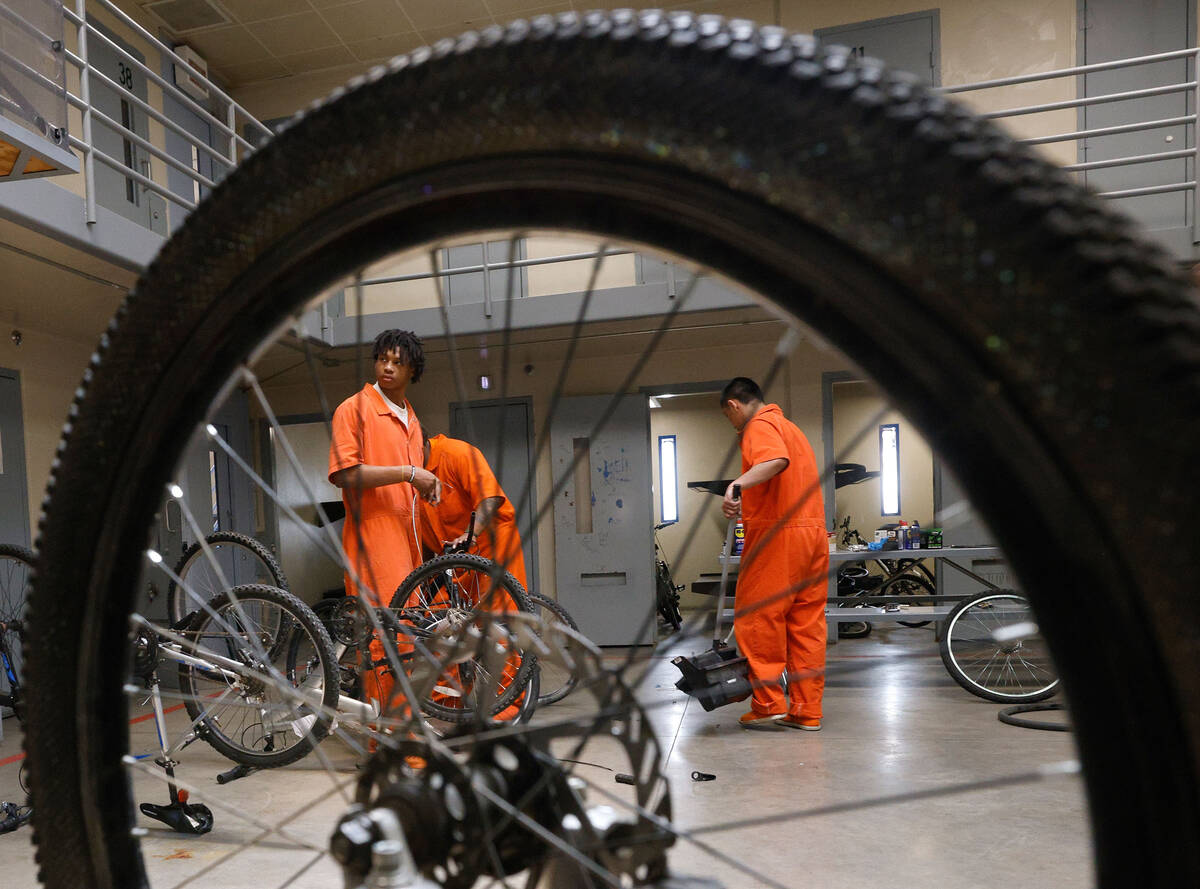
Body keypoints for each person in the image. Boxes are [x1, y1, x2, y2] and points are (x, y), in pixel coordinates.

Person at [328, 329, 441, 712]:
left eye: (398, 362)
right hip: (373, 537)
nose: (388, 368)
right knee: (386, 637)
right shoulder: (354, 409)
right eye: (383, 360)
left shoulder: (410, 416)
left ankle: (395, 725)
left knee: (405, 635)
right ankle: (392, 739)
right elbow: (346, 474)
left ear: (413, 371)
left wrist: (421, 488)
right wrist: (410, 473)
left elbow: (403, 480)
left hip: (407, 541)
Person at [719, 376, 828, 731]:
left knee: (757, 619)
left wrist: (737, 484)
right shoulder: (791, 428)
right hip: (812, 536)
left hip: (778, 538)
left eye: (728, 416)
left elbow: (775, 460)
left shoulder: (758, 425)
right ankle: (807, 710)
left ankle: (767, 703)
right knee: (806, 626)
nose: (732, 424)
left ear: (734, 406)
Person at [417, 430, 529, 593]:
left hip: (489, 548)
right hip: (453, 559)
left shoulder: (457, 453)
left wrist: (471, 533)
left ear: (419, 444)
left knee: (496, 615)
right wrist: (425, 573)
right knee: (433, 615)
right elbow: (423, 532)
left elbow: (490, 498)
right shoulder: (411, 476)